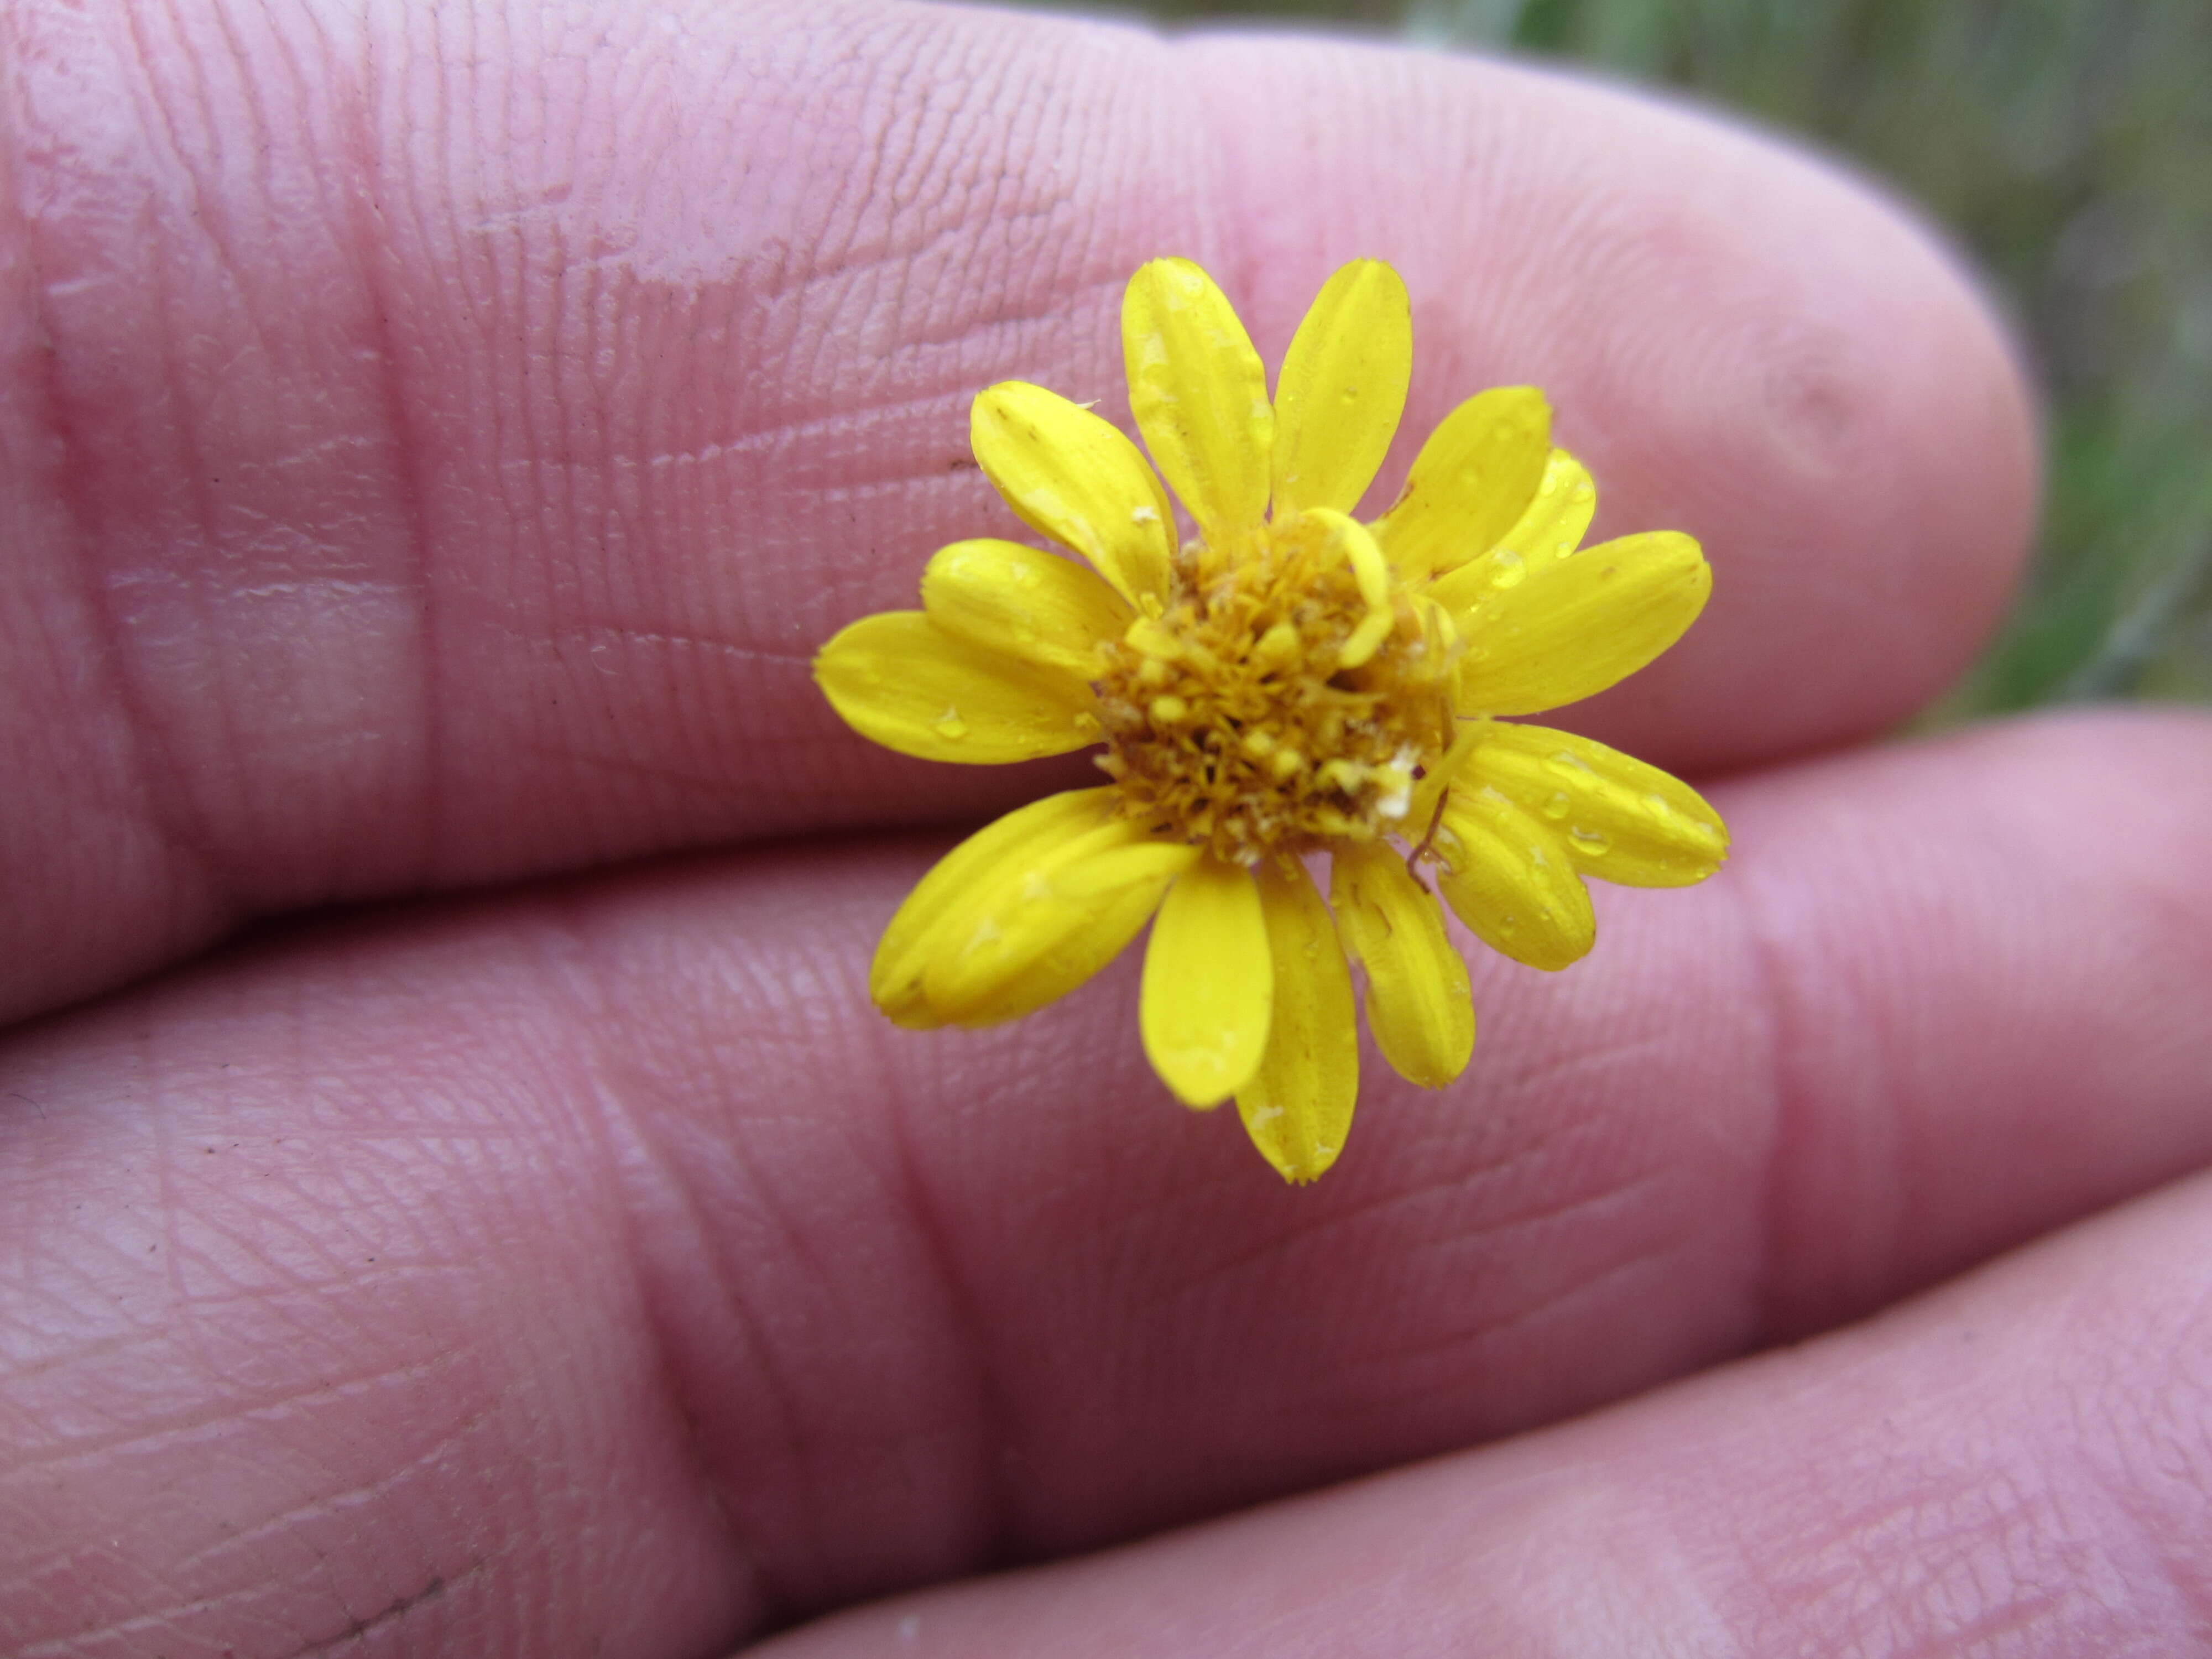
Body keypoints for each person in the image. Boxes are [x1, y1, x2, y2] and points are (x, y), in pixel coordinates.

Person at [3, 1, 2206, 1653]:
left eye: (1338, 703)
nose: (1313, 703)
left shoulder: (1418, 788)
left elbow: (1468, 870)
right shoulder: (1126, 606)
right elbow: (972, 608)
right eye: (1288, 681)